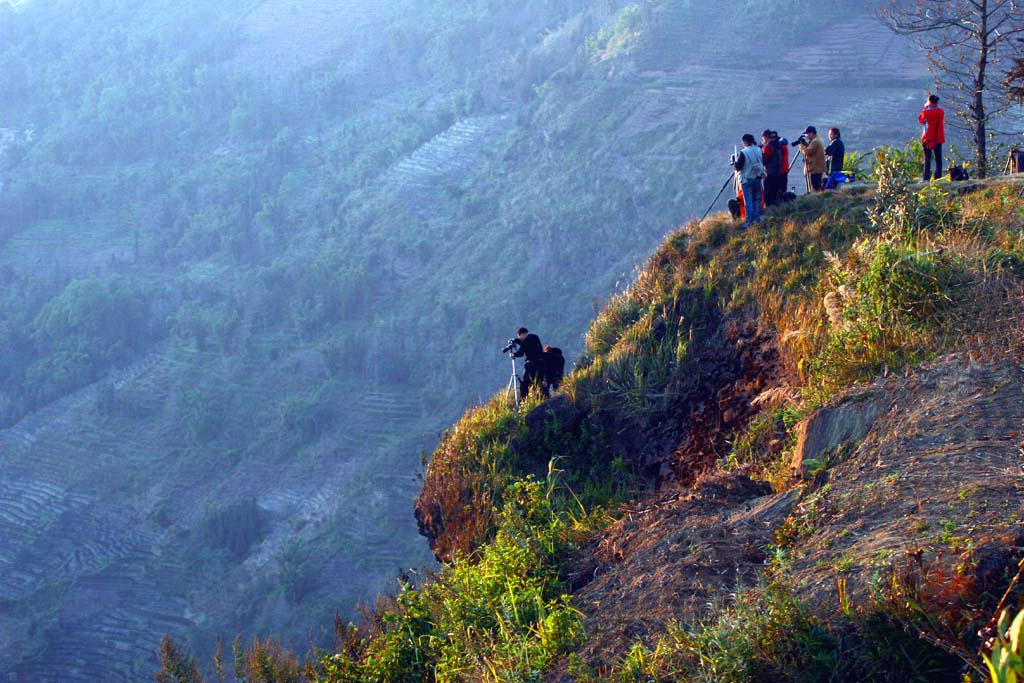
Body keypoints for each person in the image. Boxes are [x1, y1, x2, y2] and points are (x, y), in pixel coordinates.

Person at [734, 133, 765, 226]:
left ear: (745, 142)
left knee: (748, 201)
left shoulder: (744, 152)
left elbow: (738, 167)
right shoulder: (759, 150)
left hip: (747, 179)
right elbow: (764, 161)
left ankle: (748, 221)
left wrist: (735, 163)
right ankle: (756, 219)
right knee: (757, 200)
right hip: (758, 178)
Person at [512, 327, 544, 399]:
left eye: (519, 337)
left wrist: (513, 355)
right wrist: (516, 340)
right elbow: (527, 345)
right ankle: (541, 398)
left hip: (531, 365)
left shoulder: (525, 341)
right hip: (541, 364)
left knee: (525, 383)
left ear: (521, 335)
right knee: (539, 383)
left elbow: (520, 353)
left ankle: (524, 400)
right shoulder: (535, 337)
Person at [919, 94, 945, 181]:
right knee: (938, 158)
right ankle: (938, 177)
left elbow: (921, 120)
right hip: (938, 138)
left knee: (927, 159)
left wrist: (925, 107)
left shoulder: (926, 112)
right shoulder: (941, 111)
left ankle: (926, 177)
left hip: (928, 138)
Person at [798, 126, 827, 192]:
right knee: (816, 186)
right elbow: (811, 149)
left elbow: (808, 152)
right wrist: (805, 143)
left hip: (815, 168)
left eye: (807, 134)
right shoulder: (817, 139)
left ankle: (814, 198)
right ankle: (816, 197)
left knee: (815, 187)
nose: (806, 136)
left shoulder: (815, 141)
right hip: (817, 167)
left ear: (811, 133)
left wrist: (801, 146)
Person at [761, 129, 784, 206]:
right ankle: (775, 207)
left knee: (768, 192)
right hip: (778, 171)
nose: (762, 140)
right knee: (775, 191)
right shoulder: (778, 144)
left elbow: (764, 160)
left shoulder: (768, 147)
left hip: (770, 172)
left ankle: (768, 208)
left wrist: (761, 152)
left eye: (763, 138)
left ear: (765, 137)